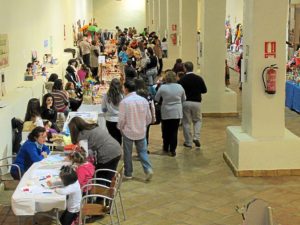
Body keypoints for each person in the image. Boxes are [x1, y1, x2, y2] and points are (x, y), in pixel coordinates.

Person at [117, 80, 153, 181]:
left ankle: (128, 173)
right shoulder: (143, 100)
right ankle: (148, 169)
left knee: (128, 153)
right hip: (141, 131)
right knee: (142, 151)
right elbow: (149, 117)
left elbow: (122, 119)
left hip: (128, 131)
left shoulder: (124, 102)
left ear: (126, 89)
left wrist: (120, 127)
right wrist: (143, 125)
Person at [68, 117, 122, 183]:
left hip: (107, 154)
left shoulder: (82, 135)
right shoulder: (92, 126)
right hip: (117, 149)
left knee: (100, 177)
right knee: (109, 175)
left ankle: (103, 191)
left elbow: (84, 155)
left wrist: (73, 158)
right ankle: (109, 191)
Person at [155, 71, 186, 156]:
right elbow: (184, 99)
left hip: (166, 111)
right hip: (177, 111)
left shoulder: (163, 87)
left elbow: (157, 98)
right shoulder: (180, 87)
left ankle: (165, 146)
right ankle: (173, 149)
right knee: (174, 130)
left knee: (165, 129)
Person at [178, 61, 207, 148]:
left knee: (186, 122)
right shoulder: (199, 78)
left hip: (185, 102)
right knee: (198, 120)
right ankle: (196, 137)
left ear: (185, 69)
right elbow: (204, 90)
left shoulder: (182, 79)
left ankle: (188, 142)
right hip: (197, 102)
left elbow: (179, 91)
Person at [102, 78, 124, 145]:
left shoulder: (106, 95)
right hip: (119, 119)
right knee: (119, 136)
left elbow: (103, 108)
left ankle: (113, 152)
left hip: (109, 119)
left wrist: (106, 113)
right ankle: (119, 151)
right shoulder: (122, 95)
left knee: (111, 137)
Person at [134, 78, 156, 146]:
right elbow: (152, 106)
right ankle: (145, 147)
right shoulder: (148, 94)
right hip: (146, 116)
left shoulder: (134, 94)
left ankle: (139, 147)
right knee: (146, 133)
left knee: (137, 133)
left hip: (136, 116)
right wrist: (153, 117)